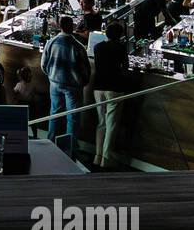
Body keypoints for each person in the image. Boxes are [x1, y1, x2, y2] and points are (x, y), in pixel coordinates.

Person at [41, 16, 90, 144]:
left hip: (55, 83)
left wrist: (52, 76)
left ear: (59, 26)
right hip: (73, 86)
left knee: (55, 114)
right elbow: (85, 70)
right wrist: (82, 83)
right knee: (72, 118)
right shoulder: (78, 47)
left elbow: (43, 65)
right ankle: (70, 148)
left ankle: (50, 142)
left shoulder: (51, 42)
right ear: (72, 27)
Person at [91, 21, 129, 168]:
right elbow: (125, 68)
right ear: (120, 35)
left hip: (98, 87)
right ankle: (106, 159)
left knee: (101, 123)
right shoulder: (120, 48)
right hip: (115, 88)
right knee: (111, 124)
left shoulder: (97, 47)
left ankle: (97, 155)